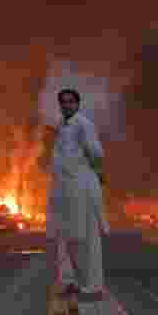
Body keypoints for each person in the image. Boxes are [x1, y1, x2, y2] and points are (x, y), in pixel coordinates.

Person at [47, 88, 109, 299]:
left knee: (87, 239)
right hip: (65, 190)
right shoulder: (62, 127)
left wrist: (94, 171)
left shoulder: (84, 125)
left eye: (71, 102)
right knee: (67, 238)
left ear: (78, 104)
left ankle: (93, 287)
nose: (66, 105)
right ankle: (71, 281)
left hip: (82, 189)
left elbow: (97, 154)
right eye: (63, 102)